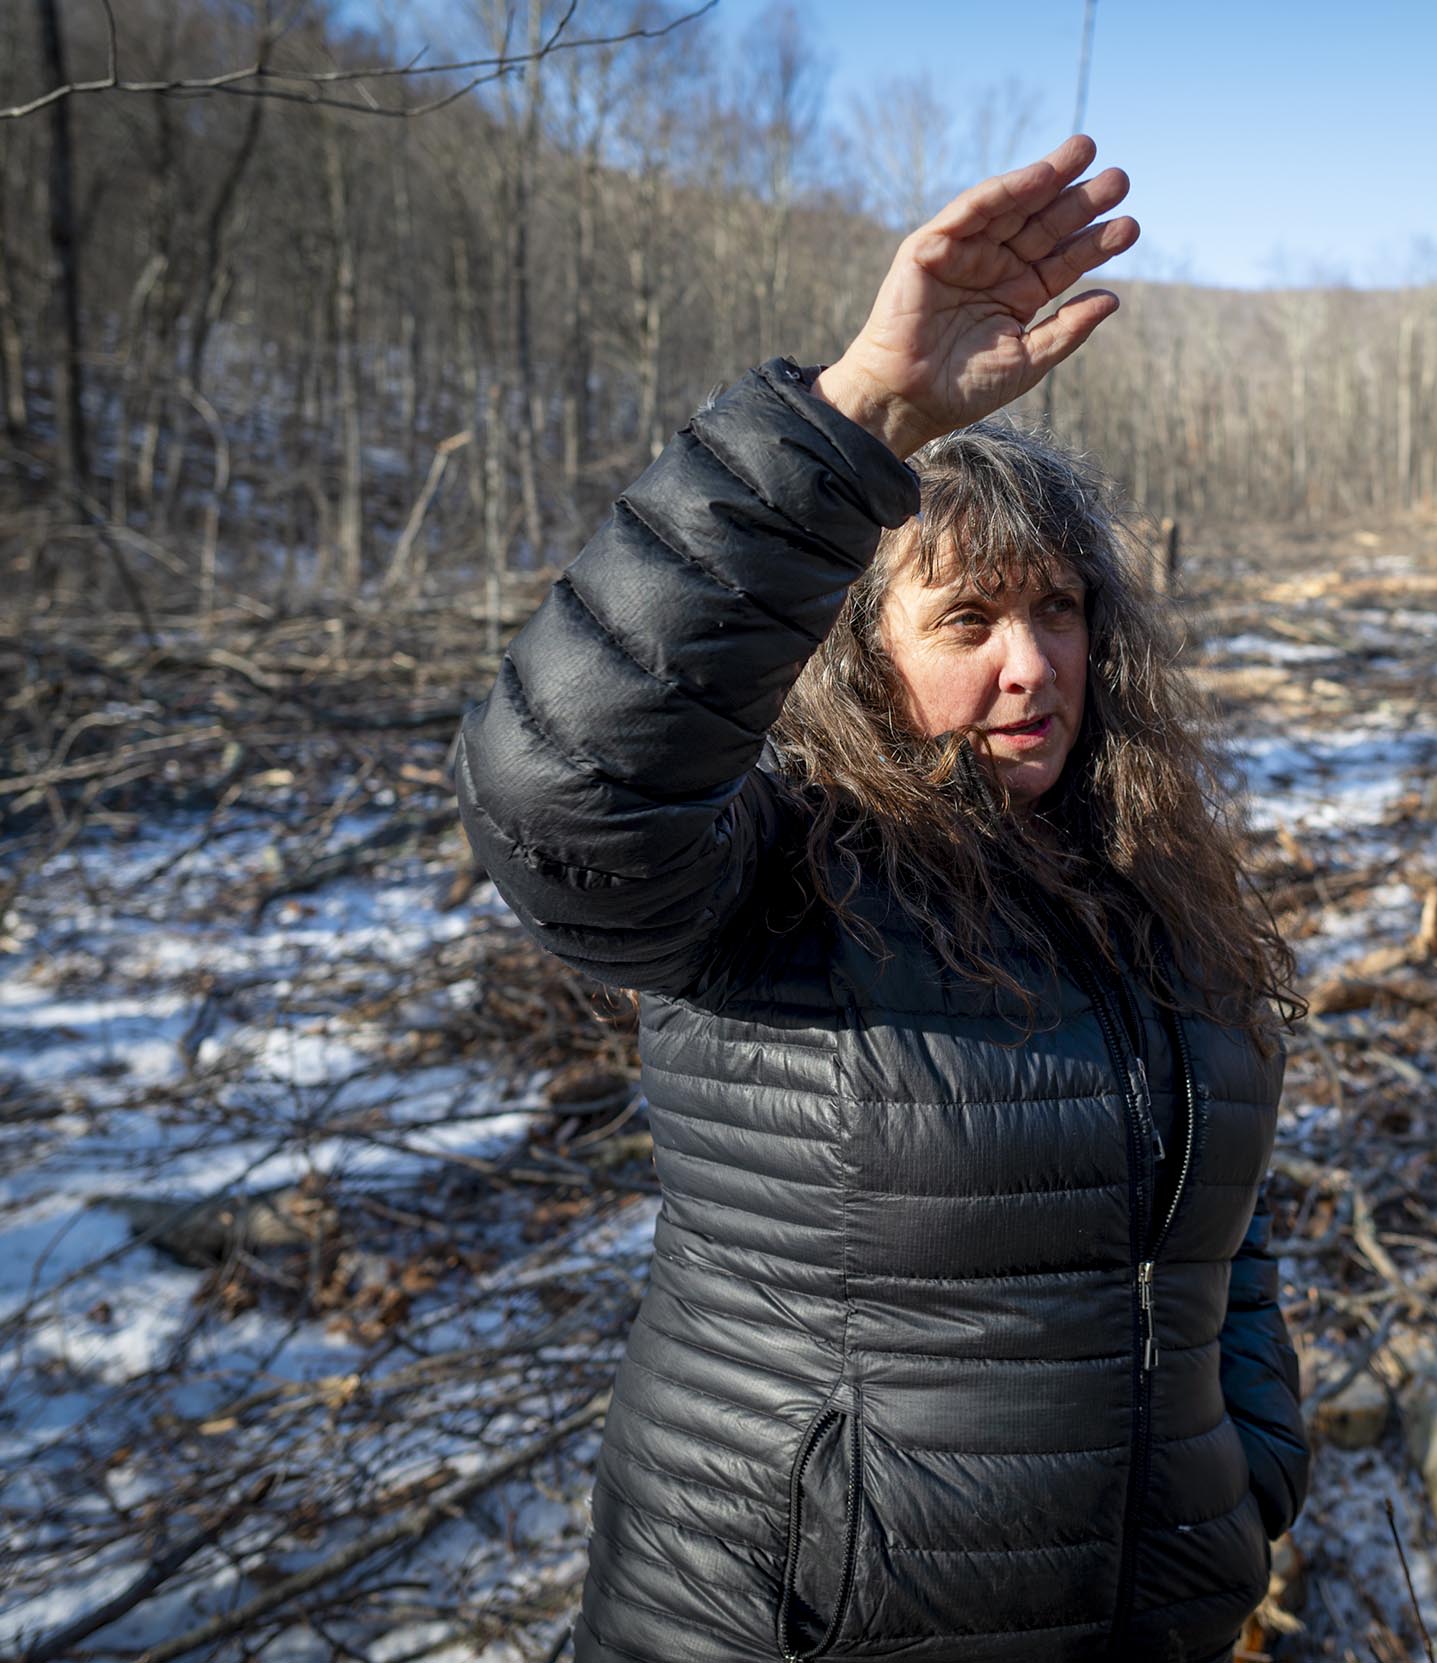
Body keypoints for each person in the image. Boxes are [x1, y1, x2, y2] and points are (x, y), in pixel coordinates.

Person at [454, 135, 1309, 1663]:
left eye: (1057, 610)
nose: (1031, 663)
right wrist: (862, 420)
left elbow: (1217, 1223)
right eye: (968, 618)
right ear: (859, 654)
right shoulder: (779, 872)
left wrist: (1247, 1463)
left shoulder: (1144, 882)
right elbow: (559, 793)